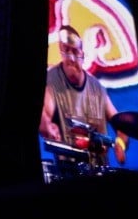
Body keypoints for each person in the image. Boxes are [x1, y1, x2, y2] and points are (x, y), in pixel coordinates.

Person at [40, 25, 128, 174]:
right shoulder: (51, 81)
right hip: (69, 174)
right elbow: (44, 115)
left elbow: (122, 125)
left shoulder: (98, 88)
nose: (71, 58)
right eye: (65, 50)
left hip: (100, 171)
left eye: (74, 51)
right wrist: (47, 126)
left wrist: (120, 144)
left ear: (82, 54)